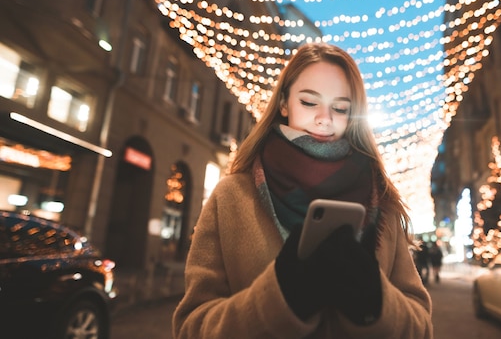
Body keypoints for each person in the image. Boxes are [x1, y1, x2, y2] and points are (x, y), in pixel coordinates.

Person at [172, 42, 433, 338]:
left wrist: (375, 301)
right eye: (309, 102)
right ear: (284, 103)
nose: (325, 118)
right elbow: (191, 327)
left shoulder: (380, 199)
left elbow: (421, 326)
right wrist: (279, 299)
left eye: (340, 107)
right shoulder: (232, 196)